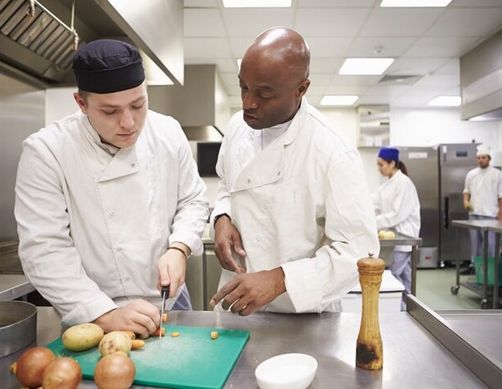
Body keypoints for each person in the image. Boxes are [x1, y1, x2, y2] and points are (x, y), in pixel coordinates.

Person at [14, 39, 209, 336]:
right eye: (110, 112)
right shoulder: (47, 151)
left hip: (170, 301)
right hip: (93, 309)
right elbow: (44, 249)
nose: (129, 123)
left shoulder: (167, 132)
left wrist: (179, 248)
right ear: (81, 104)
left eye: (138, 105)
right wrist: (104, 313)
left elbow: (193, 200)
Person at [209, 27, 379, 316]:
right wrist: (222, 217)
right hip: (235, 306)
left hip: (302, 314)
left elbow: (358, 251)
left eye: (264, 94)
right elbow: (227, 184)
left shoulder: (333, 150)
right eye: (243, 87)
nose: (248, 102)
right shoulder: (238, 126)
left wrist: (279, 279)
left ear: (301, 89)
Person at [372, 147, 420, 297]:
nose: (379, 168)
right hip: (395, 236)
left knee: (394, 277)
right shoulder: (388, 184)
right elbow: (374, 202)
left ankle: (401, 308)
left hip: (404, 235)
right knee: (403, 276)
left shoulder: (404, 183)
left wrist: (372, 222)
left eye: (381, 164)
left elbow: (396, 214)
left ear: (392, 163)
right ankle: (406, 308)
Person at [462, 144, 502, 274]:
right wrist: (465, 201)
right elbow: (466, 191)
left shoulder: (497, 174)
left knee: (491, 246)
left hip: (490, 215)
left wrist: (501, 213)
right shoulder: (471, 174)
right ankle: (476, 269)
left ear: (489, 158)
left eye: (483, 157)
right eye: (479, 158)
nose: (481, 160)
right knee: (475, 244)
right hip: (474, 215)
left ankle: (491, 270)